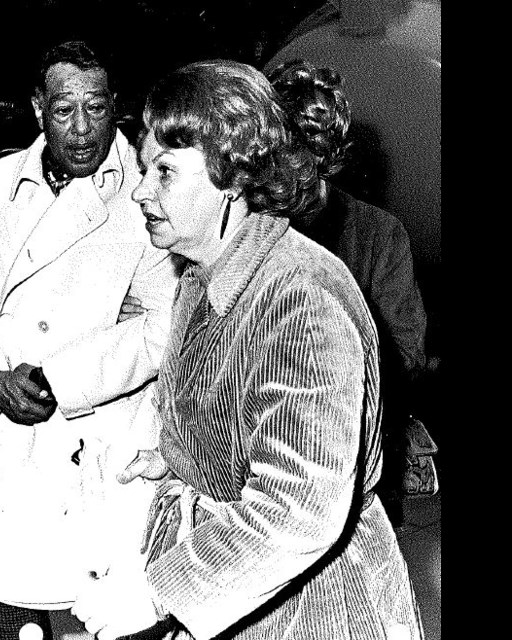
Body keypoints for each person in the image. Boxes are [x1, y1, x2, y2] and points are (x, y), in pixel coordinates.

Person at [72, 61, 424, 639]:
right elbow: (240, 418)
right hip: (247, 601)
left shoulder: (302, 302)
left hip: (318, 610)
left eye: (165, 172)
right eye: (142, 168)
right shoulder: (200, 276)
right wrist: (181, 456)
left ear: (233, 180)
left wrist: (160, 592)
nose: (141, 191)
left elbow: (298, 508)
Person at [0, 40, 180, 640]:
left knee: (119, 619)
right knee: (21, 620)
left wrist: (59, 379)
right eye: (63, 110)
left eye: (96, 109)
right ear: (36, 109)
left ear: (116, 107)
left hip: (102, 447)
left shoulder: (149, 193)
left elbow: (160, 329)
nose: (81, 130)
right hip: (15, 441)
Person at [268, 59, 430, 524]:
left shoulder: (379, 235)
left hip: (356, 466)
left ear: (326, 155)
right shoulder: (251, 229)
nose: (282, 174)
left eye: (299, 153)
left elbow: (407, 355)